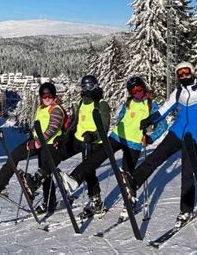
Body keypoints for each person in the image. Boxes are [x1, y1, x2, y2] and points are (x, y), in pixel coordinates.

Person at [117, 62, 197, 227]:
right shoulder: (177, 92)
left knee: (187, 174)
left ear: (193, 73)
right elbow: (163, 110)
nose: (184, 76)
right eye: (180, 73)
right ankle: (134, 181)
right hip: (177, 133)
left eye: (187, 72)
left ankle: (186, 210)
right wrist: (149, 120)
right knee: (156, 157)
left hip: (195, 138)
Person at [58, 76, 167, 218]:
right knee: (95, 158)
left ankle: (129, 201)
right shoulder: (128, 103)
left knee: (127, 176)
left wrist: (150, 138)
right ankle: (75, 179)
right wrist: (118, 126)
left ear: (144, 88)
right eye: (133, 92)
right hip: (116, 137)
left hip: (133, 143)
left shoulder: (152, 105)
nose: (137, 94)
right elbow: (122, 117)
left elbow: (163, 125)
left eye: (139, 90)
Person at [21, 75, 110, 216]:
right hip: (78, 138)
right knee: (57, 154)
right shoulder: (82, 102)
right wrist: (65, 136)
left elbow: (104, 126)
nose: (87, 89)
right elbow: (76, 122)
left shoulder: (101, 104)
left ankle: (95, 200)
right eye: (84, 86)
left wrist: (93, 135)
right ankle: (37, 179)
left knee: (88, 171)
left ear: (96, 86)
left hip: (93, 142)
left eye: (90, 86)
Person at [0, 82, 66, 213]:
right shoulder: (41, 108)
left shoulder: (56, 109)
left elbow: (52, 129)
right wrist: (33, 138)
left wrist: (38, 142)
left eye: (50, 95)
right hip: (36, 141)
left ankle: (50, 202)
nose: (47, 98)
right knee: (14, 155)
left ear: (54, 96)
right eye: (44, 96)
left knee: (45, 174)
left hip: (49, 144)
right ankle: (0, 182)